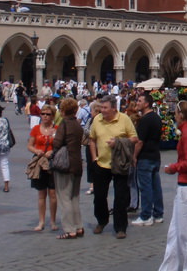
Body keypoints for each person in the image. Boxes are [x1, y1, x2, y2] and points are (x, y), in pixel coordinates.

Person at [146, 100, 187, 271]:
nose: (174, 115)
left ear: (182, 114)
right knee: (174, 233)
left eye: (175, 112)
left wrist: (172, 167)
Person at [88, 95, 138, 239]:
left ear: (114, 108)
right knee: (99, 196)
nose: (102, 110)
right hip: (101, 164)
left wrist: (118, 142)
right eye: (101, 107)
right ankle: (102, 220)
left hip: (120, 163)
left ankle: (120, 227)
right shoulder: (97, 120)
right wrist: (94, 158)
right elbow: (92, 140)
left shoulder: (124, 119)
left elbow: (134, 138)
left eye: (105, 108)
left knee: (120, 197)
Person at [51, 98, 85, 239]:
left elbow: (57, 143)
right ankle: (79, 226)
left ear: (63, 110)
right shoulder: (77, 125)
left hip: (65, 164)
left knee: (64, 197)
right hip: (77, 163)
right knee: (74, 197)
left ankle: (69, 229)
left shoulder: (64, 124)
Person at [132, 93, 164, 225]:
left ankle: (146, 216)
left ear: (146, 104)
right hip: (155, 156)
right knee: (156, 186)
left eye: (139, 101)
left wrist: (134, 156)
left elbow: (140, 141)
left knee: (145, 187)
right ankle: (158, 214)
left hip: (145, 157)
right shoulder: (156, 117)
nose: (137, 103)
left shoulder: (145, 119)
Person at [27, 103, 58, 231]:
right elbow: (29, 145)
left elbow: (61, 144)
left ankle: (53, 221)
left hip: (52, 163)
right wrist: (36, 151)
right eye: (43, 114)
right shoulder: (35, 129)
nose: (45, 116)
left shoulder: (57, 129)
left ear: (52, 116)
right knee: (41, 194)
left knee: (53, 194)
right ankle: (41, 221)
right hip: (40, 163)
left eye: (48, 114)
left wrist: (53, 151)